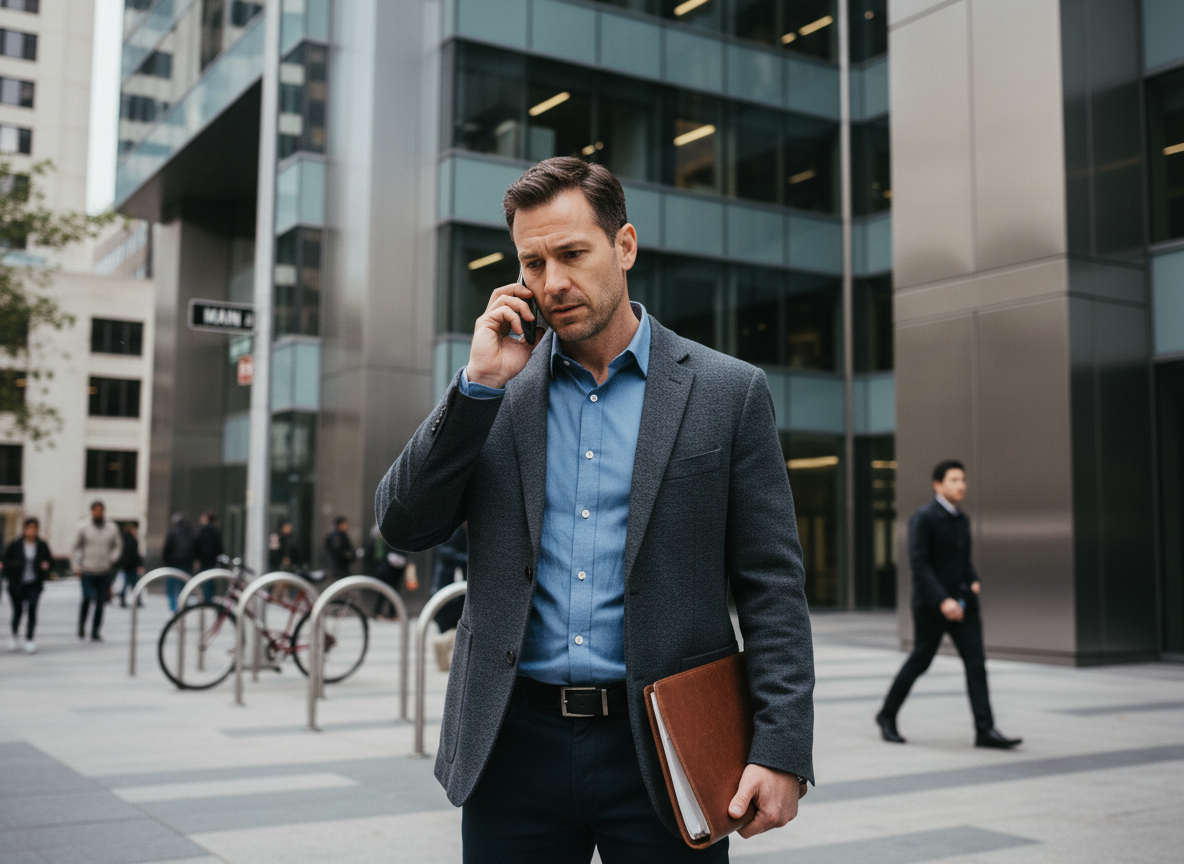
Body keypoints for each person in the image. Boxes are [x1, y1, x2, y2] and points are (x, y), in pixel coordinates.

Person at [376, 158, 814, 862]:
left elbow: (772, 586)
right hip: (512, 748)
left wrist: (782, 747)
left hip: (665, 748)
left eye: (573, 254)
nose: (552, 282)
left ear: (625, 246)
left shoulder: (728, 393)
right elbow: (403, 523)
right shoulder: (497, 393)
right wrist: (478, 385)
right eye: (533, 262)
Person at [875, 460, 1022, 750]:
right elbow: (920, 565)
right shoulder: (924, 518)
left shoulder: (962, 519)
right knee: (921, 660)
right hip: (933, 606)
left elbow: (962, 562)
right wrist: (943, 600)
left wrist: (974, 579)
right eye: (954, 480)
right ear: (938, 484)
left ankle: (985, 730)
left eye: (963, 480)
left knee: (976, 664)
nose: (961, 485)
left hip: (964, 607)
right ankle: (886, 715)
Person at [73, 500, 122, 642]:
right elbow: (75, 547)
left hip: (104, 571)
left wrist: (112, 558)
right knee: (87, 598)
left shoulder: (111, 528)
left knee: (100, 602)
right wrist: (76, 566)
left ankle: (95, 631)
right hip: (87, 570)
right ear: (92, 512)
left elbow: (117, 546)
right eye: (96, 510)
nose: (98, 513)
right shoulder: (84, 528)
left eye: (101, 510)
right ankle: (82, 625)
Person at [4, 517, 53, 653]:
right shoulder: (15, 544)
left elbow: (49, 561)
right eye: (29, 528)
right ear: (24, 530)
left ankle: (29, 639)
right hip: (17, 584)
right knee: (18, 611)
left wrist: (46, 566)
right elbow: (6, 562)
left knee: (32, 608)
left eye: (34, 529)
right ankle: (14, 635)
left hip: (34, 583)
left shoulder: (42, 545)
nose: (32, 531)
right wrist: (16, 567)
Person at [362, 522, 409, 619]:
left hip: (390, 568)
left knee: (388, 592)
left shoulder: (381, 535)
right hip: (387, 568)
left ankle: (388, 613)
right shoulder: (383, 536)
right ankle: (383, 613)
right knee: (385, 592)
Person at [430, 525, 468, 633]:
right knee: (446, 623)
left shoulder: (460, 532)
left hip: (454, 585)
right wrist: (468, 559)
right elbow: (445, 552)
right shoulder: (455, 531)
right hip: (446, 583)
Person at [162, 512, 195, 612]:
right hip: (187, 563)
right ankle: (183, 605)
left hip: (173, 564)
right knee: (184, 587)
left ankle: (174, 609)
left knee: (172, 588)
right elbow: (194, 548)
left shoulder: (172, 532)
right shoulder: (190, 532)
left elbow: (166, 549)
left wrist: (166, 562)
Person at [194, 510, 223, 601]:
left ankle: (204, 598)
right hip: (212, 560)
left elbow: (197, 545)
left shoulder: (202, 530)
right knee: (210, 580)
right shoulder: (216, 531)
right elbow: (219, 547)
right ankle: (208, 598)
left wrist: (196, 559)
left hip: (203, 559)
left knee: (204, 580)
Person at [117, 522, 145, 608]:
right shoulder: (131, 540)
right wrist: (140, 564)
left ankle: (127, 597)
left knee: (130, 583)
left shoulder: (124, 539)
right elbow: (134, 554)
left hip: (127, 565)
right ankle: (134, 598)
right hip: (130, 565)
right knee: (132, 583)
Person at [323, 517, 355, 582]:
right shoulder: (336, 535)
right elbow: (338, 550)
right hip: (338, 564)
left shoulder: (340, 534)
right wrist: (347, 555)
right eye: (344, 524)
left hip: (341, 564)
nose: (346, 526)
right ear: (340, 524)